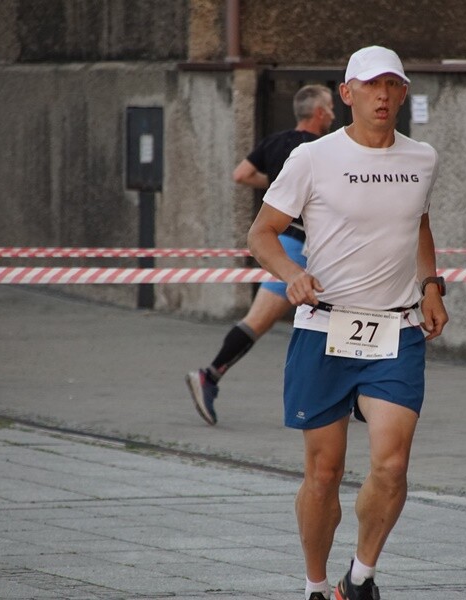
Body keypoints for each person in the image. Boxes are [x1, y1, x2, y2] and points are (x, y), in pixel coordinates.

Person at [247, 46, 448, 600]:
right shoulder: (312, 158)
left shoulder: (422, 158)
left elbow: (418, 223)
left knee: (392, 464)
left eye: (392, 85)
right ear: (346, 93)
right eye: (370, 85)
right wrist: (292, 274)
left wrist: (432, 286)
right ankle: (315, 585)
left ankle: (359, 578)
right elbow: (261, 234)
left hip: (396, 329)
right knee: (324, 473)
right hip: (325, 328)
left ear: (403, 93)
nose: (382, 95)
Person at [186, 84, 336, 426]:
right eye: (329, 107)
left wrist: (278, 187)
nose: (332, 114)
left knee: (326, 322)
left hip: (282, 241)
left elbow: (241, 174)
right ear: (319, 113)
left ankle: (344, 395)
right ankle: (209, 375)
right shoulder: (321, 150)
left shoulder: (275, 142)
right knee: (266, 321)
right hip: (304, 245)